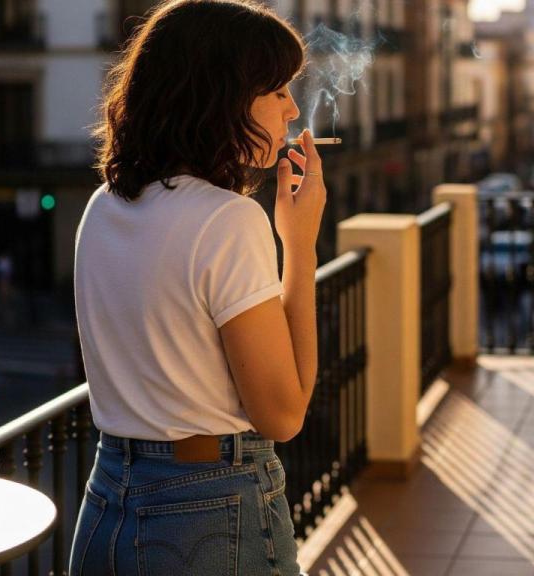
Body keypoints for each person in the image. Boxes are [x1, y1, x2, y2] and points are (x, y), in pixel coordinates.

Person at [68, 2, 323, 575]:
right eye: (277, 90)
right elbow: (283, 414)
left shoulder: (101, 208)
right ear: (223, 96)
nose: (292, 109)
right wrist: (300, 247)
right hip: (207, 511)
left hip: (107, 498)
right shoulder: (228, 220)